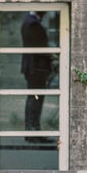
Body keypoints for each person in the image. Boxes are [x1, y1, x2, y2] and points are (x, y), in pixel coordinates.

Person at [20, 11, 52, 140]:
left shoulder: (29, 21)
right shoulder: (33, 24)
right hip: (36, 67)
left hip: (33, 66)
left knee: (34, 98)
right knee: (36, 99)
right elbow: (39, 48)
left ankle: (32, 130)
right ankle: (33, 131)